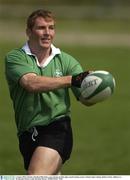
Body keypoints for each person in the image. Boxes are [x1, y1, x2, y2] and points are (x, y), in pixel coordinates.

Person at [5, 9, 92, 175]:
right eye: (41, 28)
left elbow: (84, 98)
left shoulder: (67, 61)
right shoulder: (15, 57)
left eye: (51, 28)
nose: (47, 33)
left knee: (36, 175)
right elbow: (31, 83)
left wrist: (95, 89)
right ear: (29, 32)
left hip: (57, 129)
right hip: (26, 132)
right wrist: (72, 79)